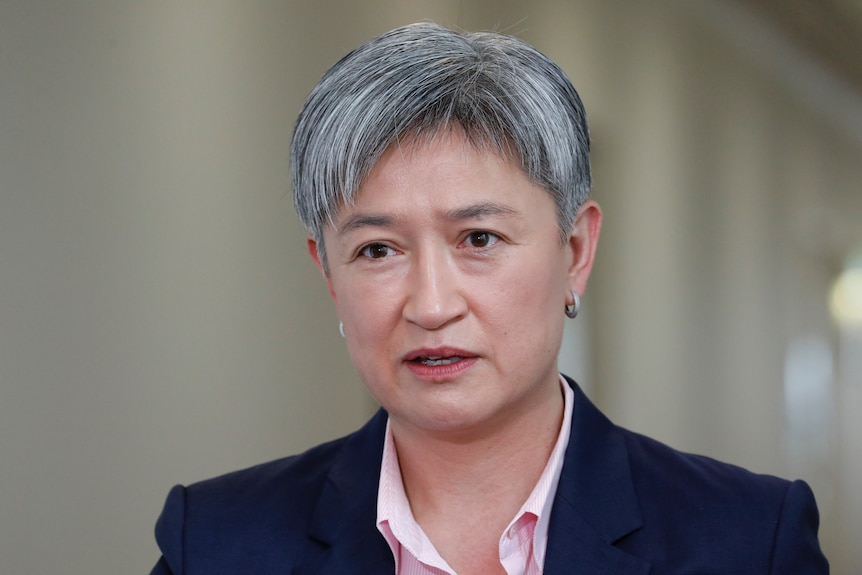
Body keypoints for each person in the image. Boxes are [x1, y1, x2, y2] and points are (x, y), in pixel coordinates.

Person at [150, 22, 828, 574]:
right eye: (377, 250)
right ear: (329, 273)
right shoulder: (213, 542)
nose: (432, 304)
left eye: (478, 237)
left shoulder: (747, 540)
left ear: (574, 252)